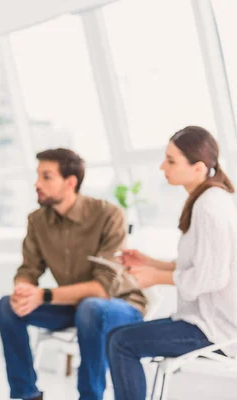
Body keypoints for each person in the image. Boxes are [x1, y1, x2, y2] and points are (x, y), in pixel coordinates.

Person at [0, 148, 146, 400]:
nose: (37, 183)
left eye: (46, 177)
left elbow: (102, 288)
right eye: (38, 176)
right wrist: (23, 288)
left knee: (91, 307)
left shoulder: (109, 215)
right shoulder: (37, 220)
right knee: (7, 306)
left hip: (118, 305)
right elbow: (29, 269)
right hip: (71, 306)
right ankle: (27, 394)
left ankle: (90, 396)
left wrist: (41, 295)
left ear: (70, 182)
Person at [106, 126, 237, 400]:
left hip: (216, 331)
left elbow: (210, 278)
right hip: (206, 323)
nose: (162, 166)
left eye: (171, 160)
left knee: (121, 342)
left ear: (198, 167)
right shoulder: (209, 199)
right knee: (118, 337)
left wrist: (154, 277)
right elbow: (197, 263)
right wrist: (150, 262)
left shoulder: (209, 206)